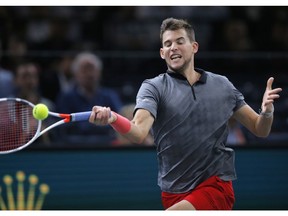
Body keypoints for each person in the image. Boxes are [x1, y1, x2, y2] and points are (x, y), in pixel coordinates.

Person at [88, 18, 282, 210]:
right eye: (168, 44)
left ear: (194, 47)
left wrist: (267, 112)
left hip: (215, 185)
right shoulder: (152, 88)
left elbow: (260, 129)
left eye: (180, 42)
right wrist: (113, 118)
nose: (173, 47)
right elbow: (139, 133)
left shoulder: (222, 85)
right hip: (172, 192)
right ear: (162, 53)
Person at [56, 52, 123, 146]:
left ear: (99, 72)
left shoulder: (110, 96)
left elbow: (120, 121)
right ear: (76, 74)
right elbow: (63, 128)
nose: (89, 74)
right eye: (84, 70)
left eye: (91, 69)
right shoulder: (66, 98)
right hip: (74, 147)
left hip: (107, 146)